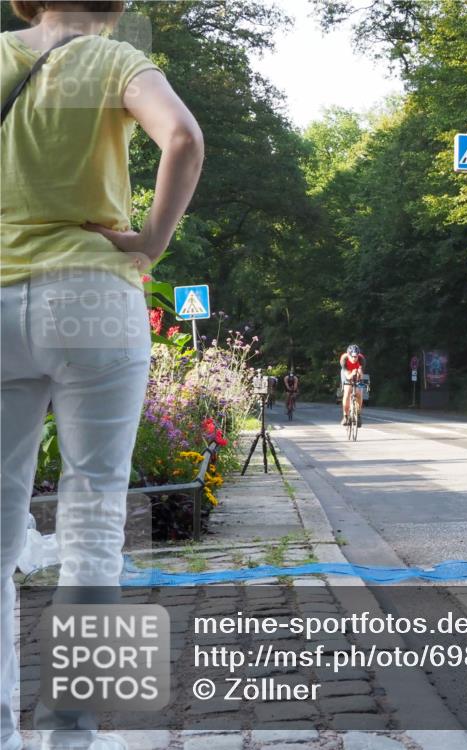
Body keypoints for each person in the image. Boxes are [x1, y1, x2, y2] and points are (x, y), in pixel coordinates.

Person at [1, 3, 203, 750]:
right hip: (91, 297)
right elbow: (182, 137)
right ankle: (72, 738)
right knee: (94, 521)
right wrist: (150, 239)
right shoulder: (113, 61)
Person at [339, 344, 366, 427]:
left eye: (356, 356)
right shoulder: (344, 359)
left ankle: (358, 414)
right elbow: (347, 376)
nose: (354, 358)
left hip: (357, 372)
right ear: (349, 355)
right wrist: (352, 374)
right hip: (346, 373)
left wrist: (359, 373)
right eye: (352, 356)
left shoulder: (361, 359)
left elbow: (361, 376)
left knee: (359, 392)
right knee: (347, 392)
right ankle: (345, 416)